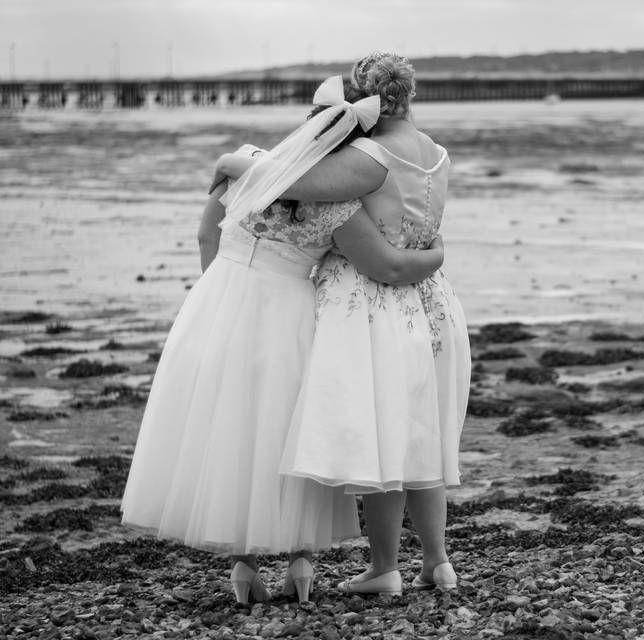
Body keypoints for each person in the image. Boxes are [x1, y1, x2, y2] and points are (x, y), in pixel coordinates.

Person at [121, 77, 445, 605]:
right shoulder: (337, 207)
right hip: (289, 311)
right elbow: (386, 265)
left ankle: (244, 568)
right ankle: (301, 561)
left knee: (228, 427)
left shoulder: (243, 167)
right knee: (288, 431)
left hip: (217, 302)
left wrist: (220, 296)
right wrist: (435, 255)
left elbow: (207, 234)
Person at [218, 51, 470, 596]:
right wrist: (437, 255)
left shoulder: (371, 156)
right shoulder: (438, 153)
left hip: (377, 301)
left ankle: (385, 568)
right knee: (421, 438)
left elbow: (289, 178)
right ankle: (437, 562)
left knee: (387, 441)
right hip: (432, 301)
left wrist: (233, 162)